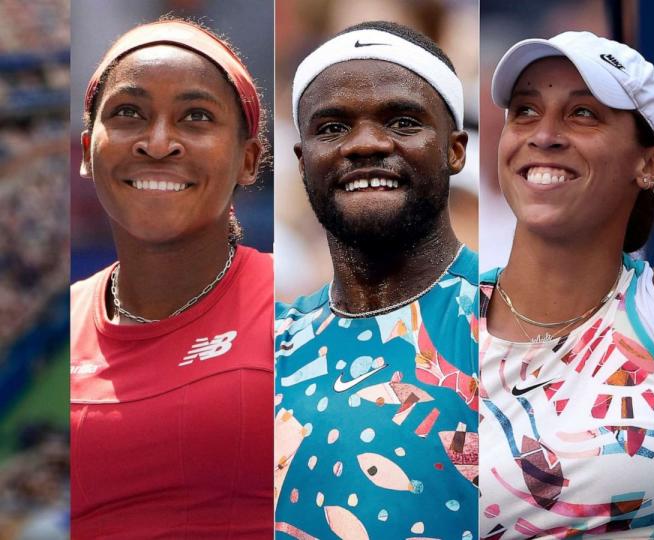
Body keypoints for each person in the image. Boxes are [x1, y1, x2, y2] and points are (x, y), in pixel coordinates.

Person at [273, 21, 478, 540]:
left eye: (403, 121)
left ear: (455, 150)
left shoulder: (515, 319)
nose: (364, 144)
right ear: (303, 162)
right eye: (333, 128)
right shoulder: (267, 347)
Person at [69, 19, 272, 538]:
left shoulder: (302, 305)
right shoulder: (61, 323)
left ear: (249, 160)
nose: (158, 143)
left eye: (196, 116)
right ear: (89, 150)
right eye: (129, 113)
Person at [479, 31, 654, 538]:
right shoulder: (433, 318)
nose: (543, 134)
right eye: (524, 111)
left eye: (583, 114)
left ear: (650, 164)